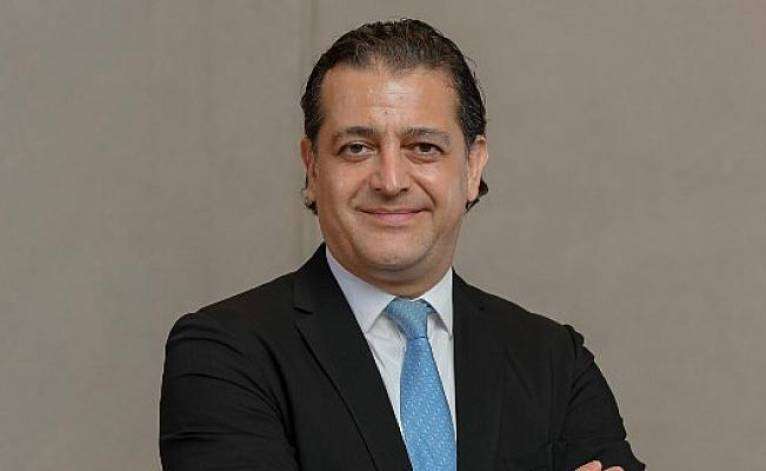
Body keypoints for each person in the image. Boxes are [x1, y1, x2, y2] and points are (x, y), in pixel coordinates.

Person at [159, 19, 643, 471]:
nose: (390, 181)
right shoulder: (224, 353)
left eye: (423, 148)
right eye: (356, 148)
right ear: (312, 169)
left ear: (473, 167)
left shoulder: (553, 361)